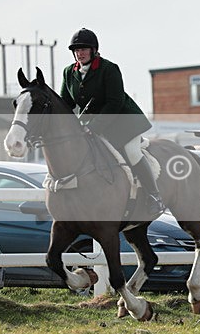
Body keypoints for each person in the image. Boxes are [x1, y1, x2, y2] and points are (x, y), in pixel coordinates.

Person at [61, 28, 164, 215]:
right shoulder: (69, 72)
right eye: (76, 50)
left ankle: (154, 195)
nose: (79, 53)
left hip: (123, 122)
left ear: (93, 50)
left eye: (83, 49)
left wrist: (94, 127)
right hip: (92, 125)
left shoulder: (109, 69)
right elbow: (66, 104)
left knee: (132, 152)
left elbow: (114, 103)